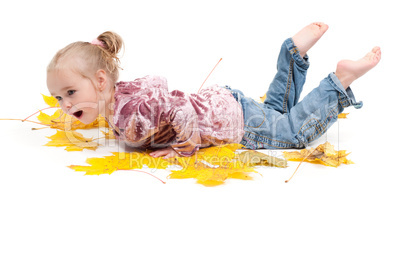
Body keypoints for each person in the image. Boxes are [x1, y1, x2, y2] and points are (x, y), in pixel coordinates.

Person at [46, 23, 381, 159]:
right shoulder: (120, 98)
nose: (64, 104)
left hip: (230, 123)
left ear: (101, 82)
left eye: (70, 92)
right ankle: (293, 54)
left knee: (291, 133)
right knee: (275, 113)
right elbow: (158, 84)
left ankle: (339, 81)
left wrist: (185, 146)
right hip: (223, 102)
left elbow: (178, 108)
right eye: (60, 97)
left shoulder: (130, 110)